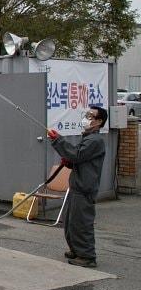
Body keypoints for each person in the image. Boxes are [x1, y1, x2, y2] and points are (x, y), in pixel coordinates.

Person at [46, 105, 107, 268]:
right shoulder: (88, 138)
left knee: (81, 223)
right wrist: (71, 162)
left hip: (84, 189)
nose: (86, 118)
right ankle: (77, 250)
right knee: (71, 222)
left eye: (90, 116)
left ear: (99, 121)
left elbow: (77, 154)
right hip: (77, 186)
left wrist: (57, 140)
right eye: (86, 115)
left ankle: (87, 256)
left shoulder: (95, 140)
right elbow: (80, 159)